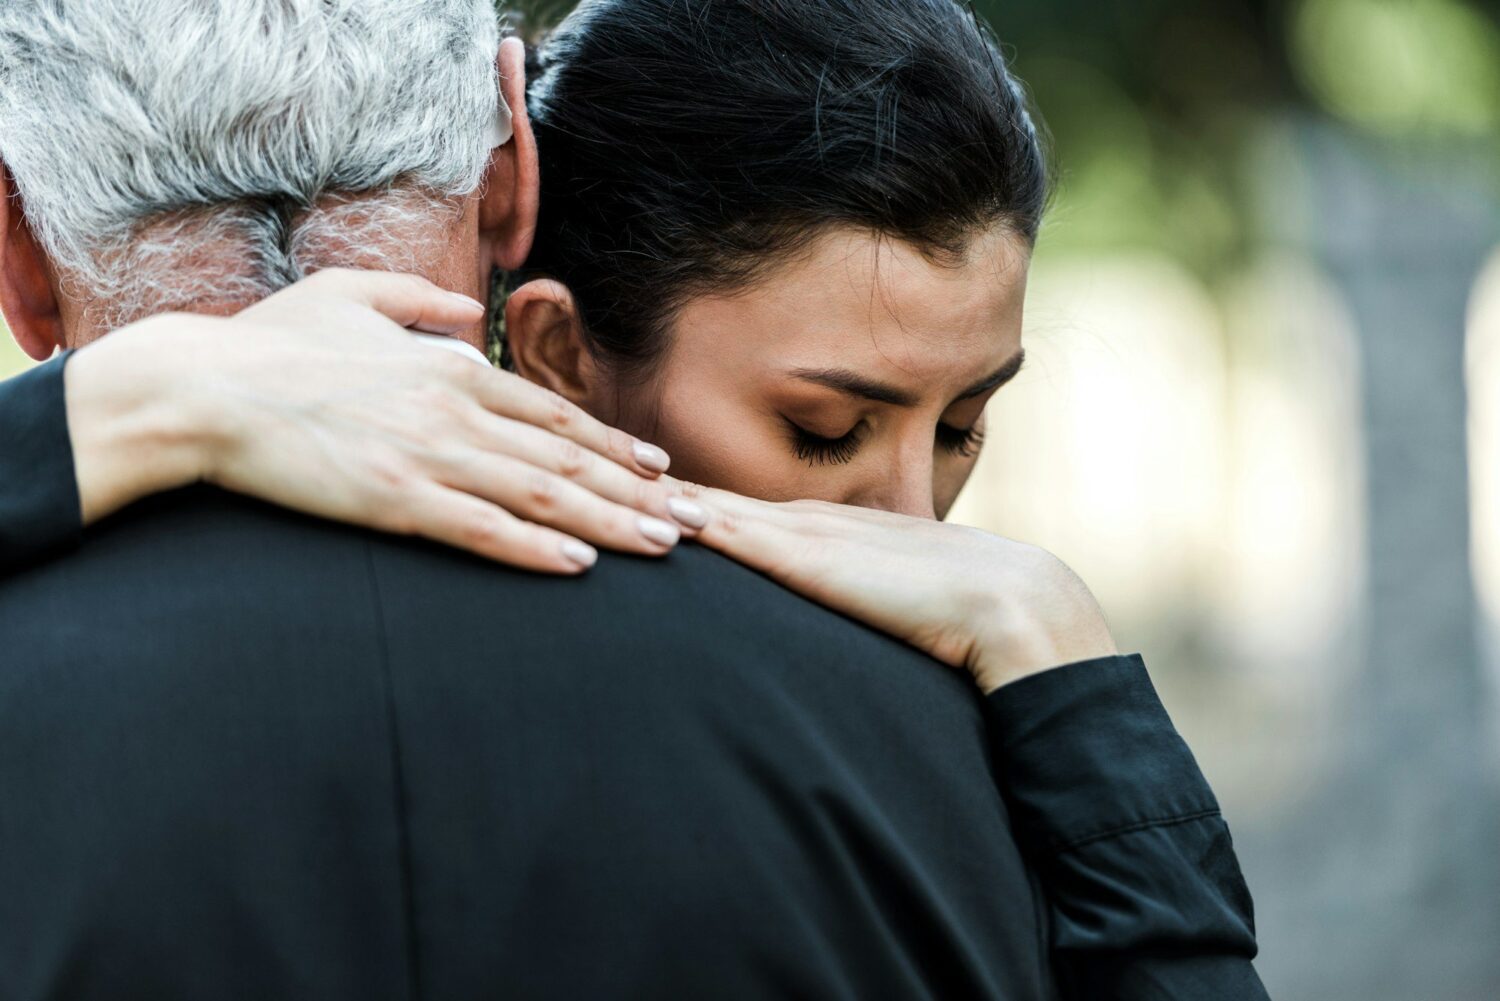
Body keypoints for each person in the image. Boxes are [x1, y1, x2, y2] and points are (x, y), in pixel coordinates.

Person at [0, 1, 1268, 998]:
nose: (909, 528)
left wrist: (98, 417)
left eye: (964, 427)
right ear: (510, 174)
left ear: (14, 243)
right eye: (824, 428)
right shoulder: (949, 752)